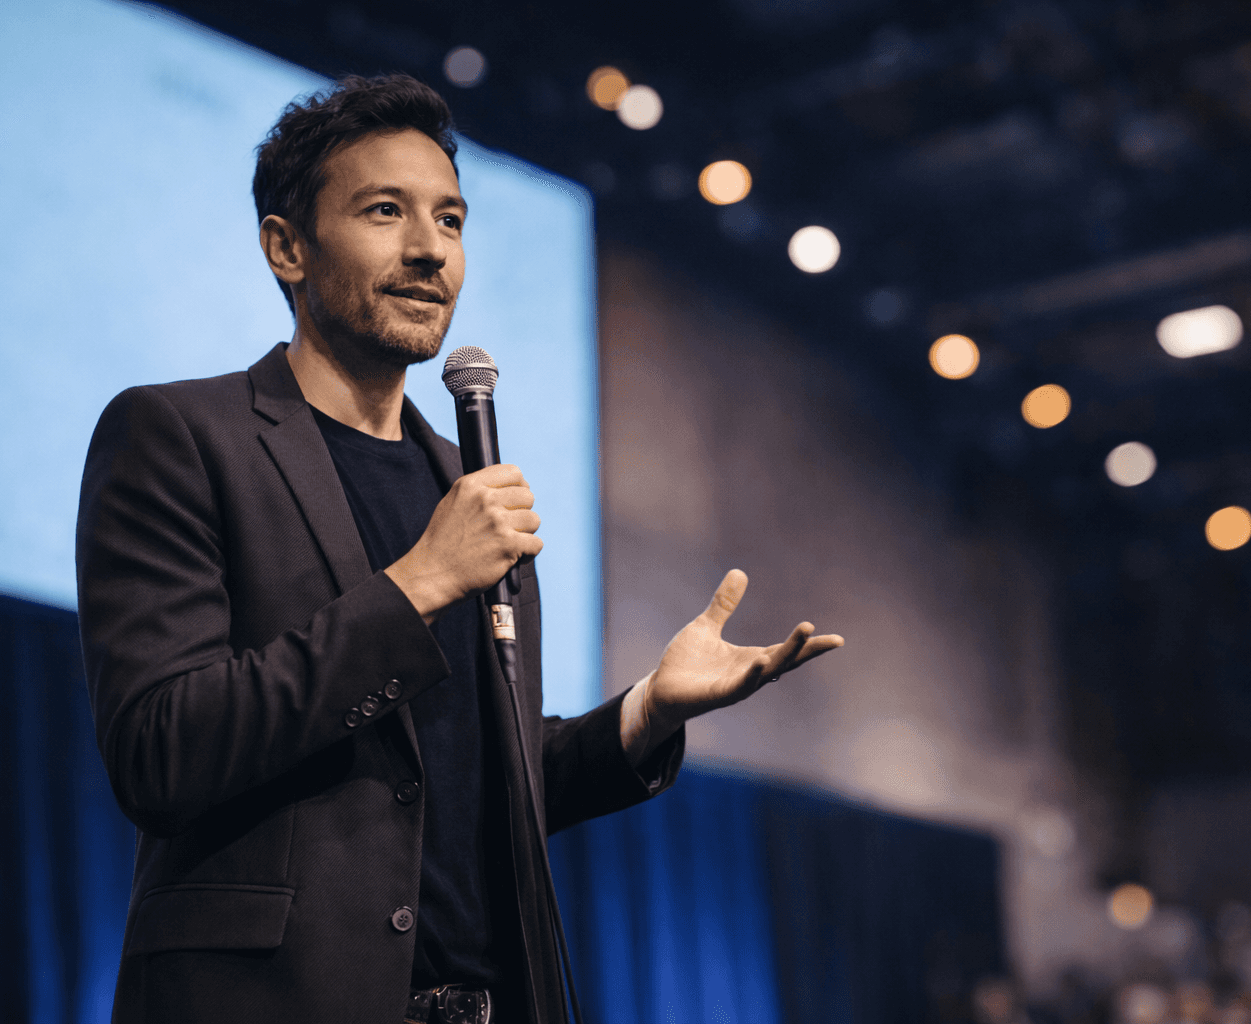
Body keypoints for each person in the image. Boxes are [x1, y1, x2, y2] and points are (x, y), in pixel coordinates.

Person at [76, 73, 842, 1024]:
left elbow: (477, 785)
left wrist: (648, 712)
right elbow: (162, 753)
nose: (428, 249)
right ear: (287, 247)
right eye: (385, 211)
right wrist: (418, 584)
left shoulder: (468, 482)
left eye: (450, 219)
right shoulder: (179, 436)